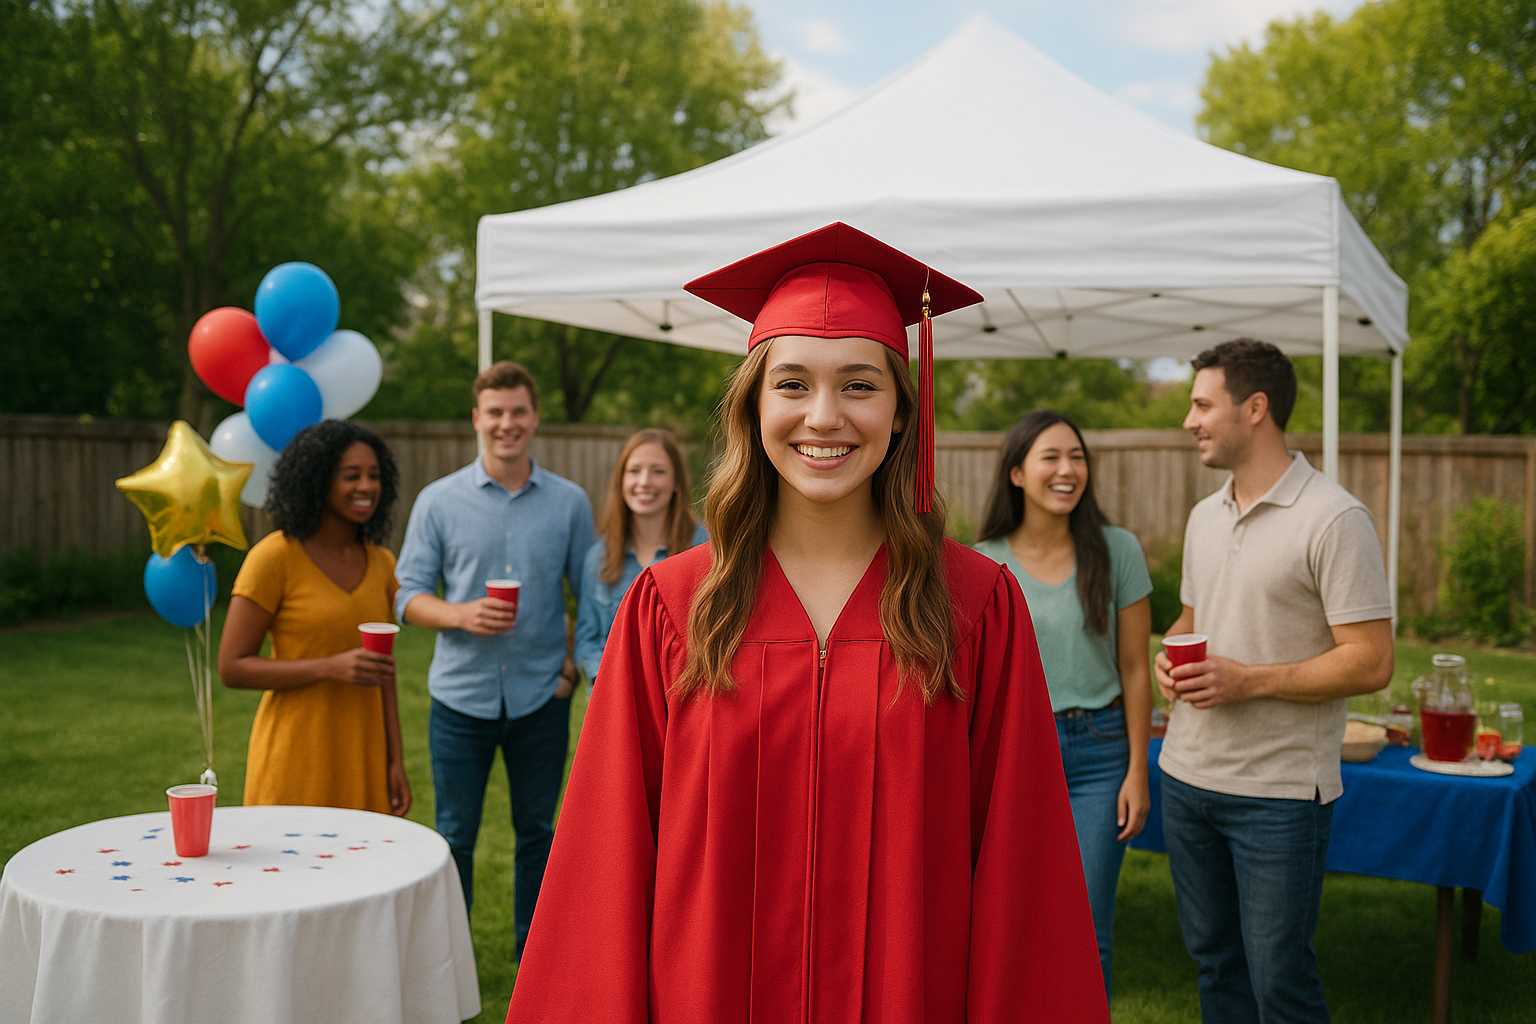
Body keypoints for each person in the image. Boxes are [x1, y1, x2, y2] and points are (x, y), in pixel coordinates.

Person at [506, 222, 1108, 1023]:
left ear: (902, 413)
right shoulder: (672, 608)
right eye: (791, 384)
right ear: (754, 405)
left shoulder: (976, 607)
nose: (824, 416)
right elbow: (603, 866)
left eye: (860, 384)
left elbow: (1022, 876)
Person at [1156, 338, 1394, 1023]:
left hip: (1278, 796)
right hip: (1187, 777)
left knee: (1279, 983)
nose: (1189, 420)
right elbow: (1191, 619)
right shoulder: (1207, 514)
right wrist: (1170, 657)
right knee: (1216, 968)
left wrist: (1249, 681)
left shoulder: (1335, 517)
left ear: (1254, 408)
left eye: (1202, 404)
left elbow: (1371, 660)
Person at [393, 361, 595, 957]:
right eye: (496, 412)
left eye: (518, 412)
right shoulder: (437, 502)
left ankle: (534, 954)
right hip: (460, 698)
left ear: (534, 418)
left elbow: (591, 595)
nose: (507, 423)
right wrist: (460, 614)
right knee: (455, 834)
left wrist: (569, 670)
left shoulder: (570, 502)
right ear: (477, 418)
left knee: (537, 832)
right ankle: (446, 958)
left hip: (540, 696)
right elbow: (405, 595)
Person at [973, 409, 1152, 1003]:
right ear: (1018, 473)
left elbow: (1133, 667)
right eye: (1051, 457)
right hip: (1017, 753)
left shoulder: (1118, 550)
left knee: (1088, 923)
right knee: (1010, 918)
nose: (1067, 470)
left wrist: (1135, 770)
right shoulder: (983, 562)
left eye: (1076, 457)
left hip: (1101, 755)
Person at [218, 420, 409, 816]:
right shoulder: (274, 557)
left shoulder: (382, 563)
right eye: (351, 475)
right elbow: (232, 667)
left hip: (363, 754)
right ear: (317, 480)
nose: (366, 486)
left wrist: (395, 761)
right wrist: (330, 667)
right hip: (295, 756)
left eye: (374, 476)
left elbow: (384, 673)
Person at [574, 428, 708, 684]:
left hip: (683, 703)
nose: (644, 481)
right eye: (634, 471)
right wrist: (612, 679)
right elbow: (587, 641)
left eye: (658, 471)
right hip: (617, 703)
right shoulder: (599, 558)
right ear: (621, 480)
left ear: (677, 483)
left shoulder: (704, 549)